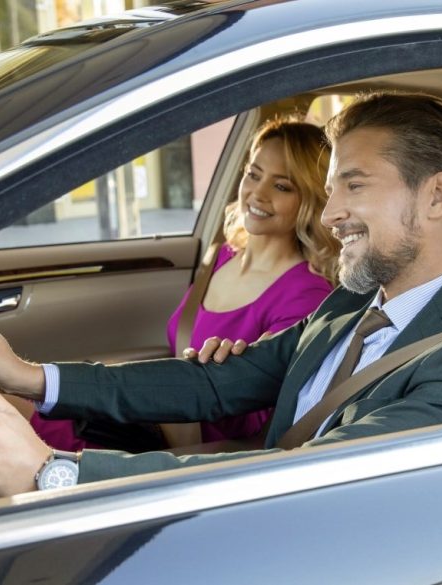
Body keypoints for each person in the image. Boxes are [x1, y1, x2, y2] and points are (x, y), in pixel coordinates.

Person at [0, 92, 442, 497]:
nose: (329, 214)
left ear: (437, 196)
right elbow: (213, 384)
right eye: (330, 189)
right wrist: (32, 378)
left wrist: (53, 472)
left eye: (353, 185)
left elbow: (312, 480)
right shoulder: (353, 302)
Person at [30, 119, 338, 451]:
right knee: (12, 402)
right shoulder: (222, 256)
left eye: (282, 186)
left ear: (310, 198)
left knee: (15, 410)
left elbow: (265, 408)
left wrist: (220, 371)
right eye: (253, 174)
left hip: (189, 451)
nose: (257, 193)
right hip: (156, 414)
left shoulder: (307, 296)